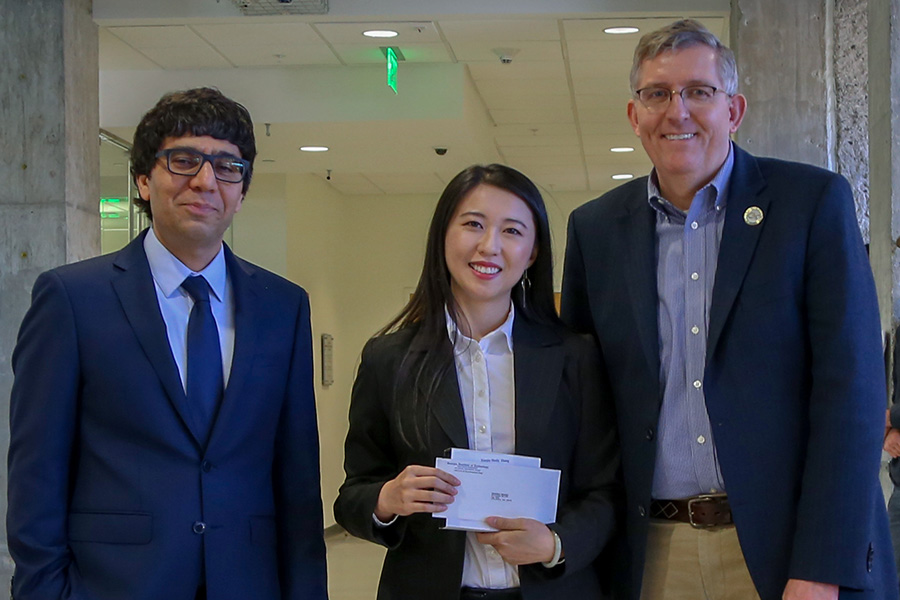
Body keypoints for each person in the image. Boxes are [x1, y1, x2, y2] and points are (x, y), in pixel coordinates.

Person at [560, 19, 897, 600]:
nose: (678, 111)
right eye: (657, 94)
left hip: (786, 549)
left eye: (699, 91)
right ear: (635, 115)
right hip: (651, 556)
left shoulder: (810, 204)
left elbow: (853, 392)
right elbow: (582, 406)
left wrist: (821, 566)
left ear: (734, 110)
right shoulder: (594, 230)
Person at [7, 87, 327, 600]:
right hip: (114, 585)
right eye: (184, 161)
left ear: (241, 193)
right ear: (143, 178)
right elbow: (36, 471)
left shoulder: (283, 306)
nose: (205, 181)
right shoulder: (72, 298)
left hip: (247, 583)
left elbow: (296, 477)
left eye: (228, 167)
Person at [334, 164, 619, 600]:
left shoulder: (574, 357)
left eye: (512, 231)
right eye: (473, 225)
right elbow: (352, 497)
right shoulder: (388, 359)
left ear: (533, 251)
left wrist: (555, 543)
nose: (489, 247)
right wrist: (388, 498)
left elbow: (605, 491)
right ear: (443, 236)